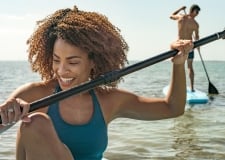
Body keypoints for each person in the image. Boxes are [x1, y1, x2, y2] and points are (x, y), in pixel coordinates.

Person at [0, 5, 193, 160]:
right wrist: (6, 113)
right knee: (35, 123)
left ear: (93, 61)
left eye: (73, 62)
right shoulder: (33, 94)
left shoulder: (108, 100)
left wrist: (179, 64)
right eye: (56, 60)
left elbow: (172, 108)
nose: (61, 70)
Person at [170, 4, 200, 92]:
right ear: (193, 11)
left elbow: (171, 16)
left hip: (179, 45)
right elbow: (197, 38)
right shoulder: (195, 24)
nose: (197, 14)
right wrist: (198, 47)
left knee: (180, 66)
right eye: (197, 12)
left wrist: (180, 9)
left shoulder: (180, 17)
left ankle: (187, 87)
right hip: (189, 46)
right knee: (189, 66)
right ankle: (192, 88)